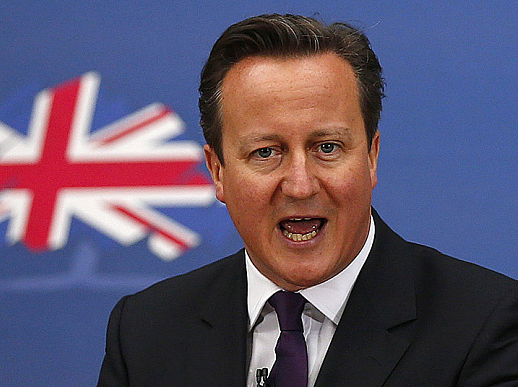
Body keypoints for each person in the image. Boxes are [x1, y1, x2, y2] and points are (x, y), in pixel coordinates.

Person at [97, 14, 518, 386]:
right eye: (266, 152)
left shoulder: (487, 325)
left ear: (371, 158)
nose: (300, 185)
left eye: (327, 147)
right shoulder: (145, 332)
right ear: (218, 171)